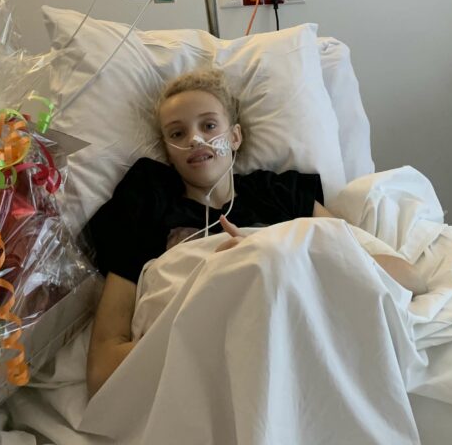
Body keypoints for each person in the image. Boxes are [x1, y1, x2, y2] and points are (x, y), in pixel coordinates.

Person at [84, 69, 422, 396]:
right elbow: (102, 369)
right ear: (168, 152)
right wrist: (209, 294)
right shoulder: (148, 205)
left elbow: (405, 278)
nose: (195, 139)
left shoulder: (281, 196)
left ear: (235, 137)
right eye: (177, 134)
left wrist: (273, 251)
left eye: (209, 125)